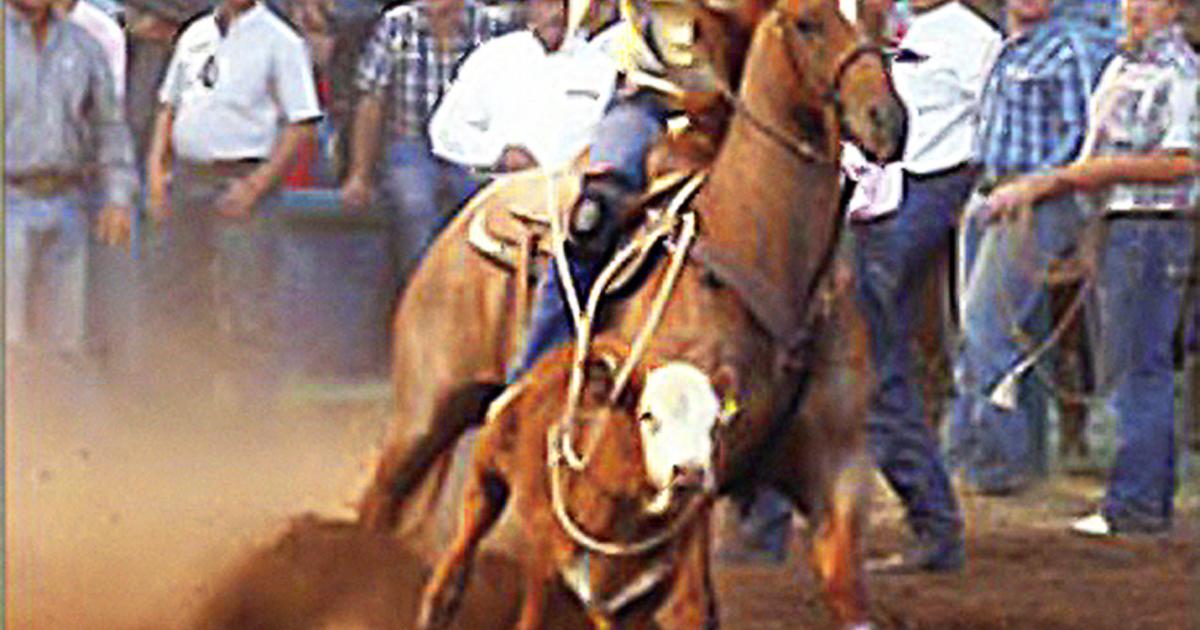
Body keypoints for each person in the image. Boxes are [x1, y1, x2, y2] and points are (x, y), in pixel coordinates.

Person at [984, 0, 1198, 537]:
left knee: (1137, 365)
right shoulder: (1125, 66)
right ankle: (1139, 497)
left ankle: (1138, 503)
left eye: (1148, 2)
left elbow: (1184, 160)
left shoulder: (1178, 71)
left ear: (1174, 10)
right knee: (1128, 363)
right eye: (1131, 1)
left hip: (1151, 225)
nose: (1134, 11)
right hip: (1118, 224)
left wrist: (1079, 177)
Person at [850, 0, 1000, 573]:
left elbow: (985, 119)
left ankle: (934, 520)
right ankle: (762, 531)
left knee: (874, 364)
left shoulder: (969, 36)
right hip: (874, 199)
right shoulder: (873, 29)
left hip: (925, 186)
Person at [948, 0, 1110, 495]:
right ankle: (1020, 458)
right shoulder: (1008, 45)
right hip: (992, 190)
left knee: (988, 326)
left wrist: (1034, 189)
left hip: (1037, 199)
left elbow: (1084, 138)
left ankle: (988, 464)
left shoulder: (1071, 47)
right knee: (1002, 329)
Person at [144, 0, 321, 400]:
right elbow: (168, 107)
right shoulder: (195, 33)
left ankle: (252, 417)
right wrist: (157, 171)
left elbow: (302, 125)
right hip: (188, 178)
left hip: (242, 177)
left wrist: (255, 186)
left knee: (249, 305)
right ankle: (186, 402)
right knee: (177, 296)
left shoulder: (281, 40)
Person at [340, 0, 514, 286]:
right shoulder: (397, 25)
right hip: (411, 143)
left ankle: (476, 297)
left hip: (472, 147)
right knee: (415, 203)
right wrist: (360, 174)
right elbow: (371, 100)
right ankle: (422, 295)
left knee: (484, 202)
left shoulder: (491, 27)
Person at [5, 0, 135, 359]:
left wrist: (118, 195)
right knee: (9, 340)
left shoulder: (83, 45)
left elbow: (110, 126)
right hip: (8, 197)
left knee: (66, 343)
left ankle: (58, 414)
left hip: (68, 199)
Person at [428, 0, 618, 174]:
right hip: (497, 187)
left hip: (571, 192)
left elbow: (607, 142)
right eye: (548, 3)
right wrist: (498, 154)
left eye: (566, 5)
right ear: (530, 8)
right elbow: (446, 130)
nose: (558, 13)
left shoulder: (602, 67)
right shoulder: (494, 57)